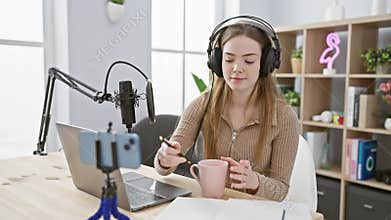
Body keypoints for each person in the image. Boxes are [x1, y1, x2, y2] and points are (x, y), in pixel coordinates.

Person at [153, 15, 299, 202]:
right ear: (218, 61)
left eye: (249, 61)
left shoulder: (284, 117)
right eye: (229, 59)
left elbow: (280, 190)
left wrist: (255, 182)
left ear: (265, 64)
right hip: (210, 207)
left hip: (252, 212)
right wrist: (165, 159)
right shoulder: (202, 103)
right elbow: (164, 165)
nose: (237, 68)